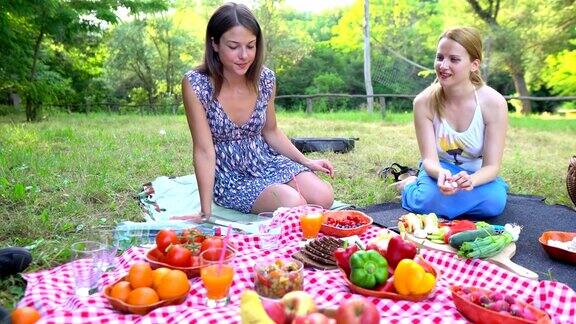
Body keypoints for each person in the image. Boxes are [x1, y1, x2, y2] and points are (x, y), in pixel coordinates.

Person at [181, 2, 334, 220]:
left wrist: (306, 162)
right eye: (234, 47)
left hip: (266, 161)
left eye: (250, 46)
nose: (244, 55)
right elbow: (204, 151)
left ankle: (284, 192)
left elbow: (271, 131)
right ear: (214, 44)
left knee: (324, 196)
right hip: (232, 176)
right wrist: (205, 212)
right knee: (293, 204)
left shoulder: (266, 78)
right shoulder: (196, 84)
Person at [397, 27, 509, 220]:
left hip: (475, 175)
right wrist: (441, 174)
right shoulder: (423, 103)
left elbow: (492, 166)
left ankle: (446, 201)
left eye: (454, 59)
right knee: (426, 200)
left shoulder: (494, 103)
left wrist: (472, 180)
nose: (443, 65)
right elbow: (430, 160)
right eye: (440, 57)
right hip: (440, 172)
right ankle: (408, 185)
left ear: (474, 65)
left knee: (494, 204)